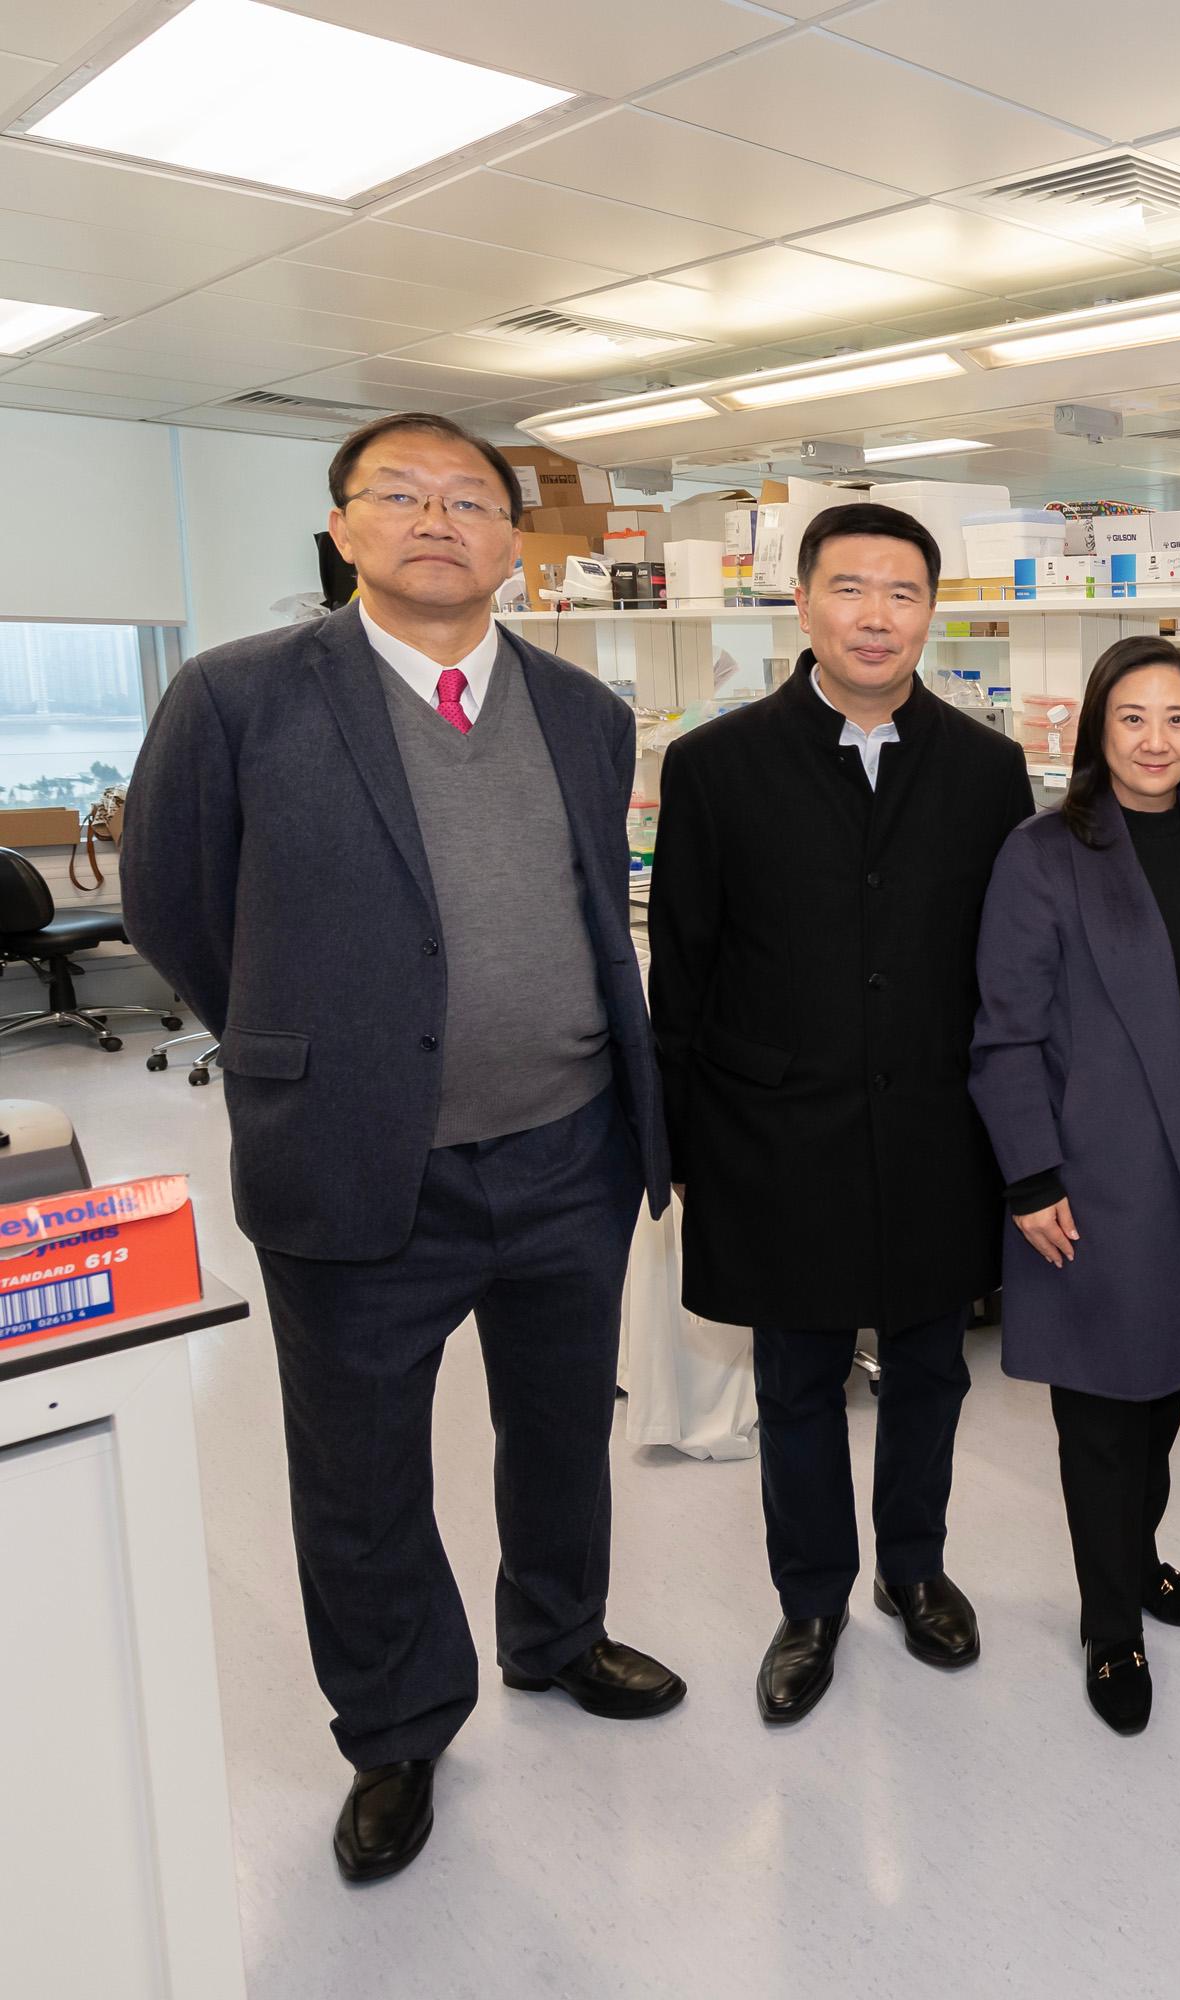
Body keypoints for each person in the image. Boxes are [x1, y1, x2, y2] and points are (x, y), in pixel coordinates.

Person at [126, 413, 681, 1884]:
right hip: (361, 1162)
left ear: (512, 542)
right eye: (403, 496)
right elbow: (174, 906)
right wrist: (299, 1047)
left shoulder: (581, 709)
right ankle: (396, 1728)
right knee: (361, 1468)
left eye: (472, 502)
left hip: (572, 1148)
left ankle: (559, 1639)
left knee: (562, 1426)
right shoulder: (238, 696)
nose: (440, 520)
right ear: (344, 530)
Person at [646, 501, 1035, 1724]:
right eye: (851, 588)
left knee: (931, 1370)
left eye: (904, 592)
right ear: (801, 600)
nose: (878, 615)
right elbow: (686, 966)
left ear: (935, 609)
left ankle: (913, 1570)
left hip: (934, 1124)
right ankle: (810, 1598)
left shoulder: (985, 768)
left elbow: (1006, 967)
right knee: (798, 1376)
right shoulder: (714, 764)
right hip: (775, 1131)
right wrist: (679, 1144)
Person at [971, 637, 1180, 1734]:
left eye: (1178, 719)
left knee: (1163, 1396)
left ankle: (1139, 1561)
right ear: (1098, 727)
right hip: (1092, 1172)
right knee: (1099, 1408)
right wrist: (1030, 1171)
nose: (1155, 740)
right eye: (1132, 717)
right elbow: (1004, 1030)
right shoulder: (1042, 852)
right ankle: (1109, 1622)